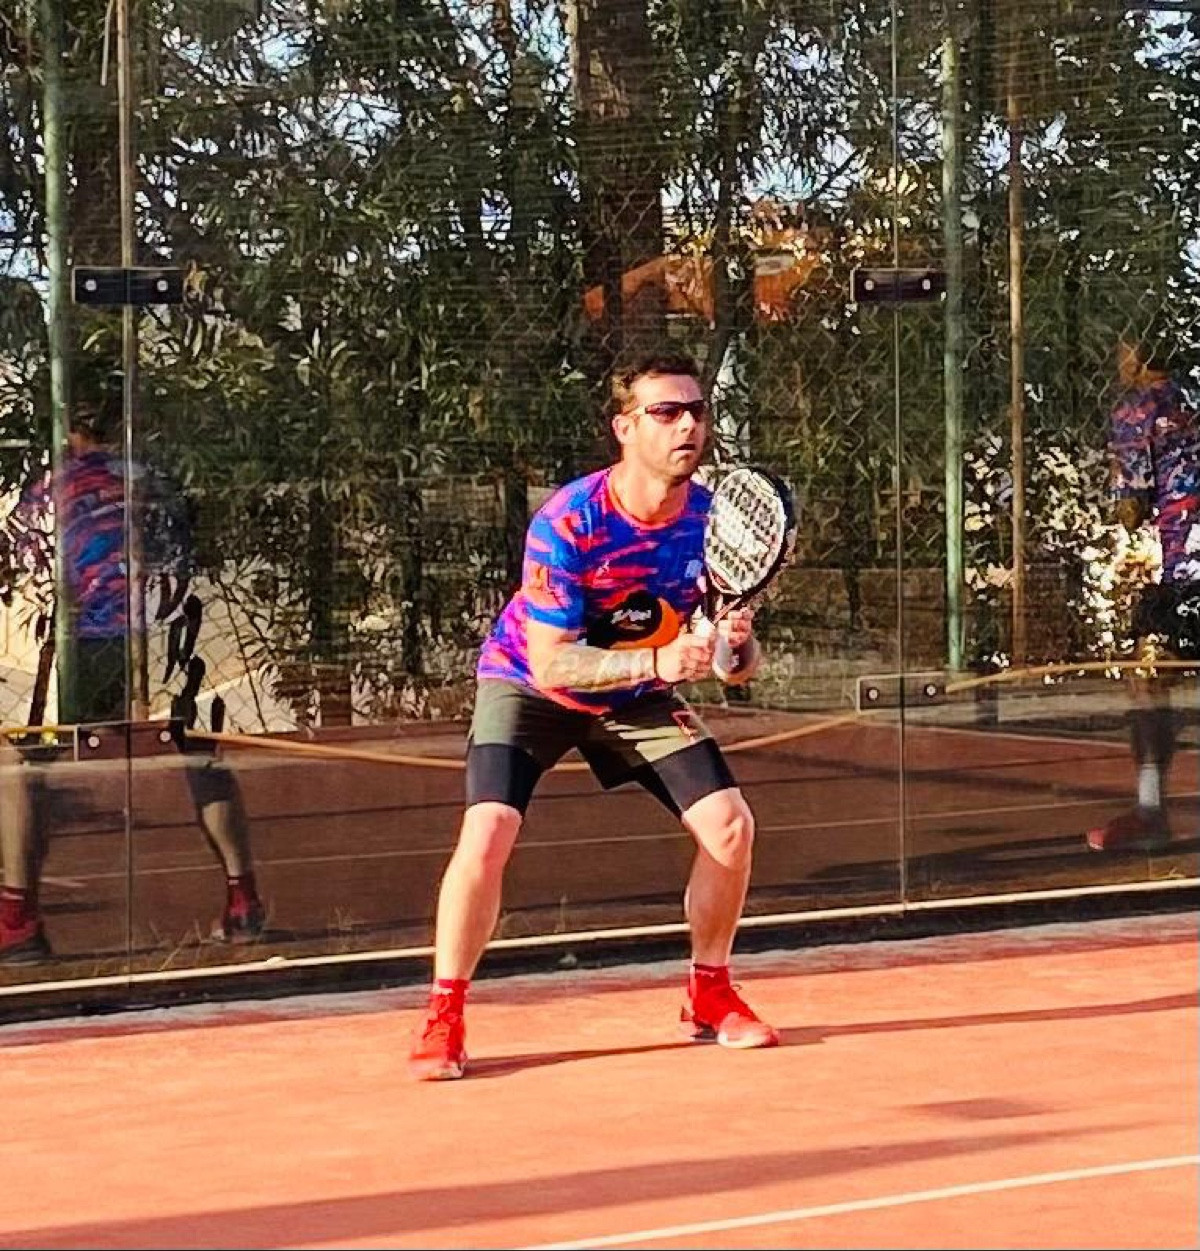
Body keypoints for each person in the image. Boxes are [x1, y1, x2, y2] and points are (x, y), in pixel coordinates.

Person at [408, 349, 779, 1081]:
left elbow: (736, 669)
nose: (687, 426)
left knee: (731, 826)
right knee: (489, 828)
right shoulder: (570, 521)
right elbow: (552, 663)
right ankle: (444, 1014)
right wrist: (658, 661)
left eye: (697, 411)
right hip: (529, 683)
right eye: (665, 412)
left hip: (637, 692)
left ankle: (709, 992)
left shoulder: (716, 523)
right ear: (625, 427)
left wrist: (734, 644)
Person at [0, 378, 265, 961]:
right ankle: (243, 897)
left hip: (85, 641)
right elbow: (185, 553)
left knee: (21, 762)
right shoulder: (155, 481)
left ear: (67, 428)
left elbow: (27, 566)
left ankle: (17, 918)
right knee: (199, 751)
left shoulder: (50, 490)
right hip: (163, 631)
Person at [1086, 320, 1200, 853]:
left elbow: (1131, 506)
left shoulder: (1138, 409)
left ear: (1134, 352)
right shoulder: (1190, 399)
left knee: (1148, 679)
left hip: (1183, 565)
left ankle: (1150, 810)